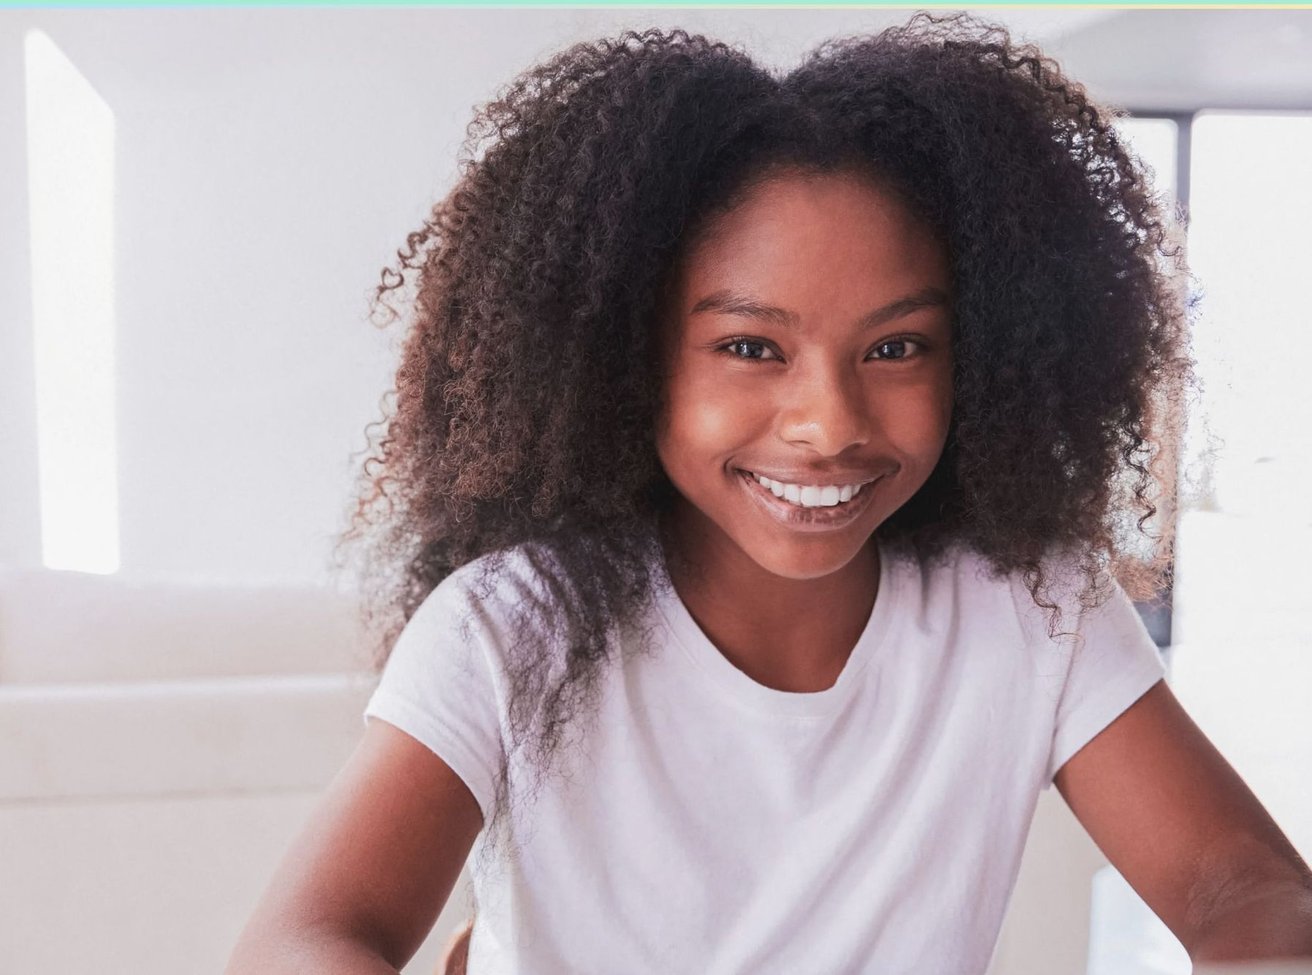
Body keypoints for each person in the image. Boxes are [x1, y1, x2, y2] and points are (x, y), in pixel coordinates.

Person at [225, 12, 1312, 974]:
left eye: (896, 347)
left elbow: (1249, 892)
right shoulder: (511, 626)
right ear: (626, 358)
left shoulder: (1029, 611)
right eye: (750, 346)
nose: (829, 423)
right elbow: (309, 935)